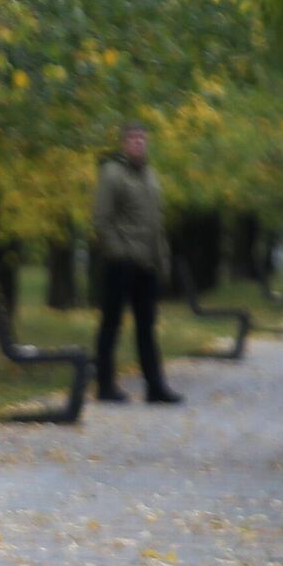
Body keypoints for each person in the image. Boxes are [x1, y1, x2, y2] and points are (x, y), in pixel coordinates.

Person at [92, 123, 181, 404]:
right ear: (123, 144)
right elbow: (101, 220)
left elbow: (157, 224)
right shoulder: (113, 174)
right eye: (133, 139)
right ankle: (105, 386)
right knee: (111, 324)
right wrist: (120, 253)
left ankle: (155, 386)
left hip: (147, 265)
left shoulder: (150, 176)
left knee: (147, 327)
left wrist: (161, 260)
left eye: (142, 139)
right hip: (122, 263)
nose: (138, 144)